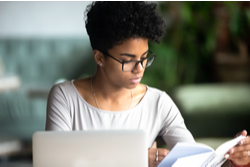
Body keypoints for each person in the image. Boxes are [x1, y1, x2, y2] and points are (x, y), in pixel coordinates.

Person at [45, 2, 250, 167]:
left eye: (144, 57)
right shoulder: (65, 97)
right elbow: (53, 162)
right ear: (99, 57)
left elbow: (195, 161)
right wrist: (135, 160)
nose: (140, 68)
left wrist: (232, 160)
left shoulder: (158, 102)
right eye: (128, 60)